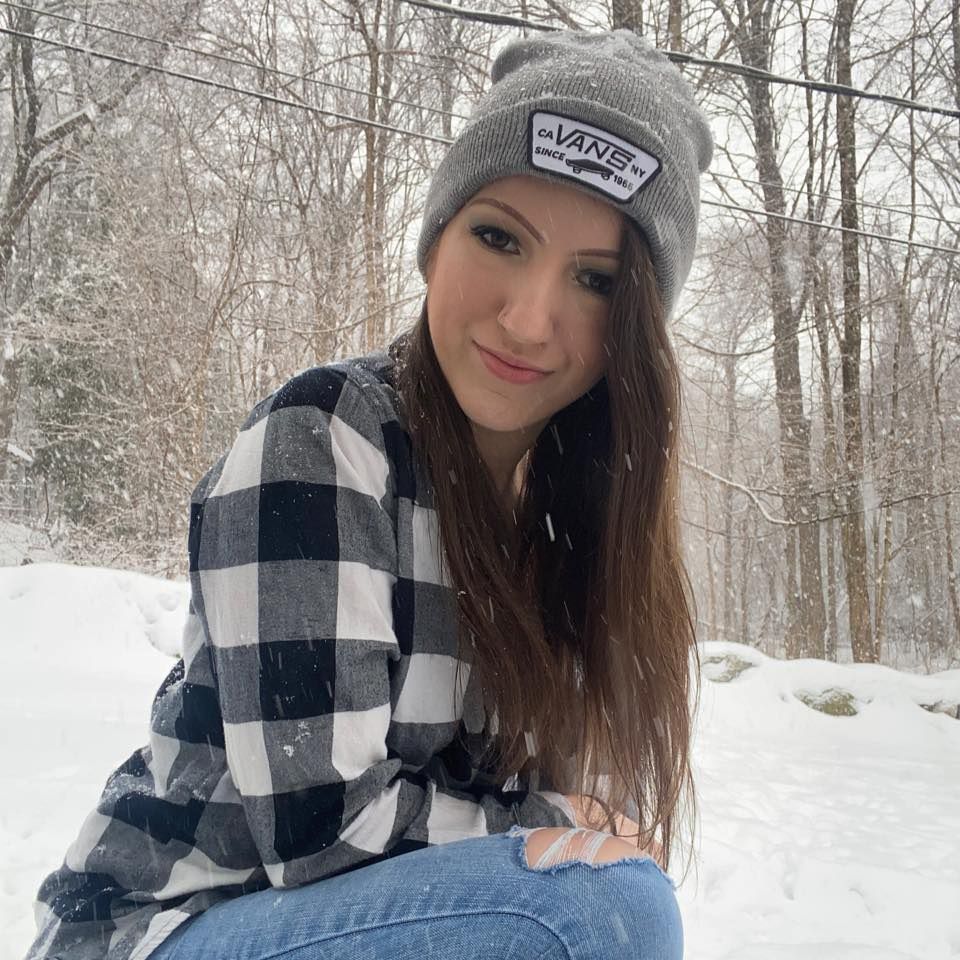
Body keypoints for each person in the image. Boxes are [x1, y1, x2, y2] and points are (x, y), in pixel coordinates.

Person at [25, 27, 712, 960]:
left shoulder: (580, 519)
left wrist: (567, 833)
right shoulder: (324, 441)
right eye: (500, 237)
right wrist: (554, 827)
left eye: (595, 280)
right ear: (436, 240)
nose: (529, 317)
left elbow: (576, 824)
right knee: (600, 913)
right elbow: (324, 835)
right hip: (169, 928)